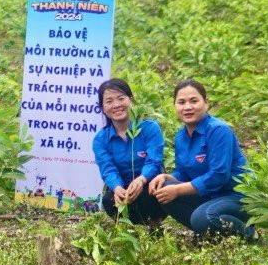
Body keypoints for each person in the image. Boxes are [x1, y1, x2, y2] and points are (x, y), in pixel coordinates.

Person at [149, 80, 253, 239]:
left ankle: (250, 234)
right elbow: (184, 174)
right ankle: (210, 236)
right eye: (181, 102)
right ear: (175, 106)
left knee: (202, 217)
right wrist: (166, 177)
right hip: (210, 197)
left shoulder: (218, 130)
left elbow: (219, 175)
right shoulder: (181, 136)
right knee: (164, 189)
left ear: (206, 103)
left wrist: (177, 190)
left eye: (194, 101)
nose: (187, 107)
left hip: (236, 196)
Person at [91, 78, 165, 224]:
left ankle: (155, 225)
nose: (116, 105)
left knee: (155, 193)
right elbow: (108, 170)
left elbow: (154, 160)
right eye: (109, 101)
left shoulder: (150, 128)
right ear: (102, 107)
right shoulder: (101, 139)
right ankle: (128, 227)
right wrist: (117, 187)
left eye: (121, 98)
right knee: (109, 200)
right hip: (124, 188)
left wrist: (141, 179)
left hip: (149, 186)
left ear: (130, 100)